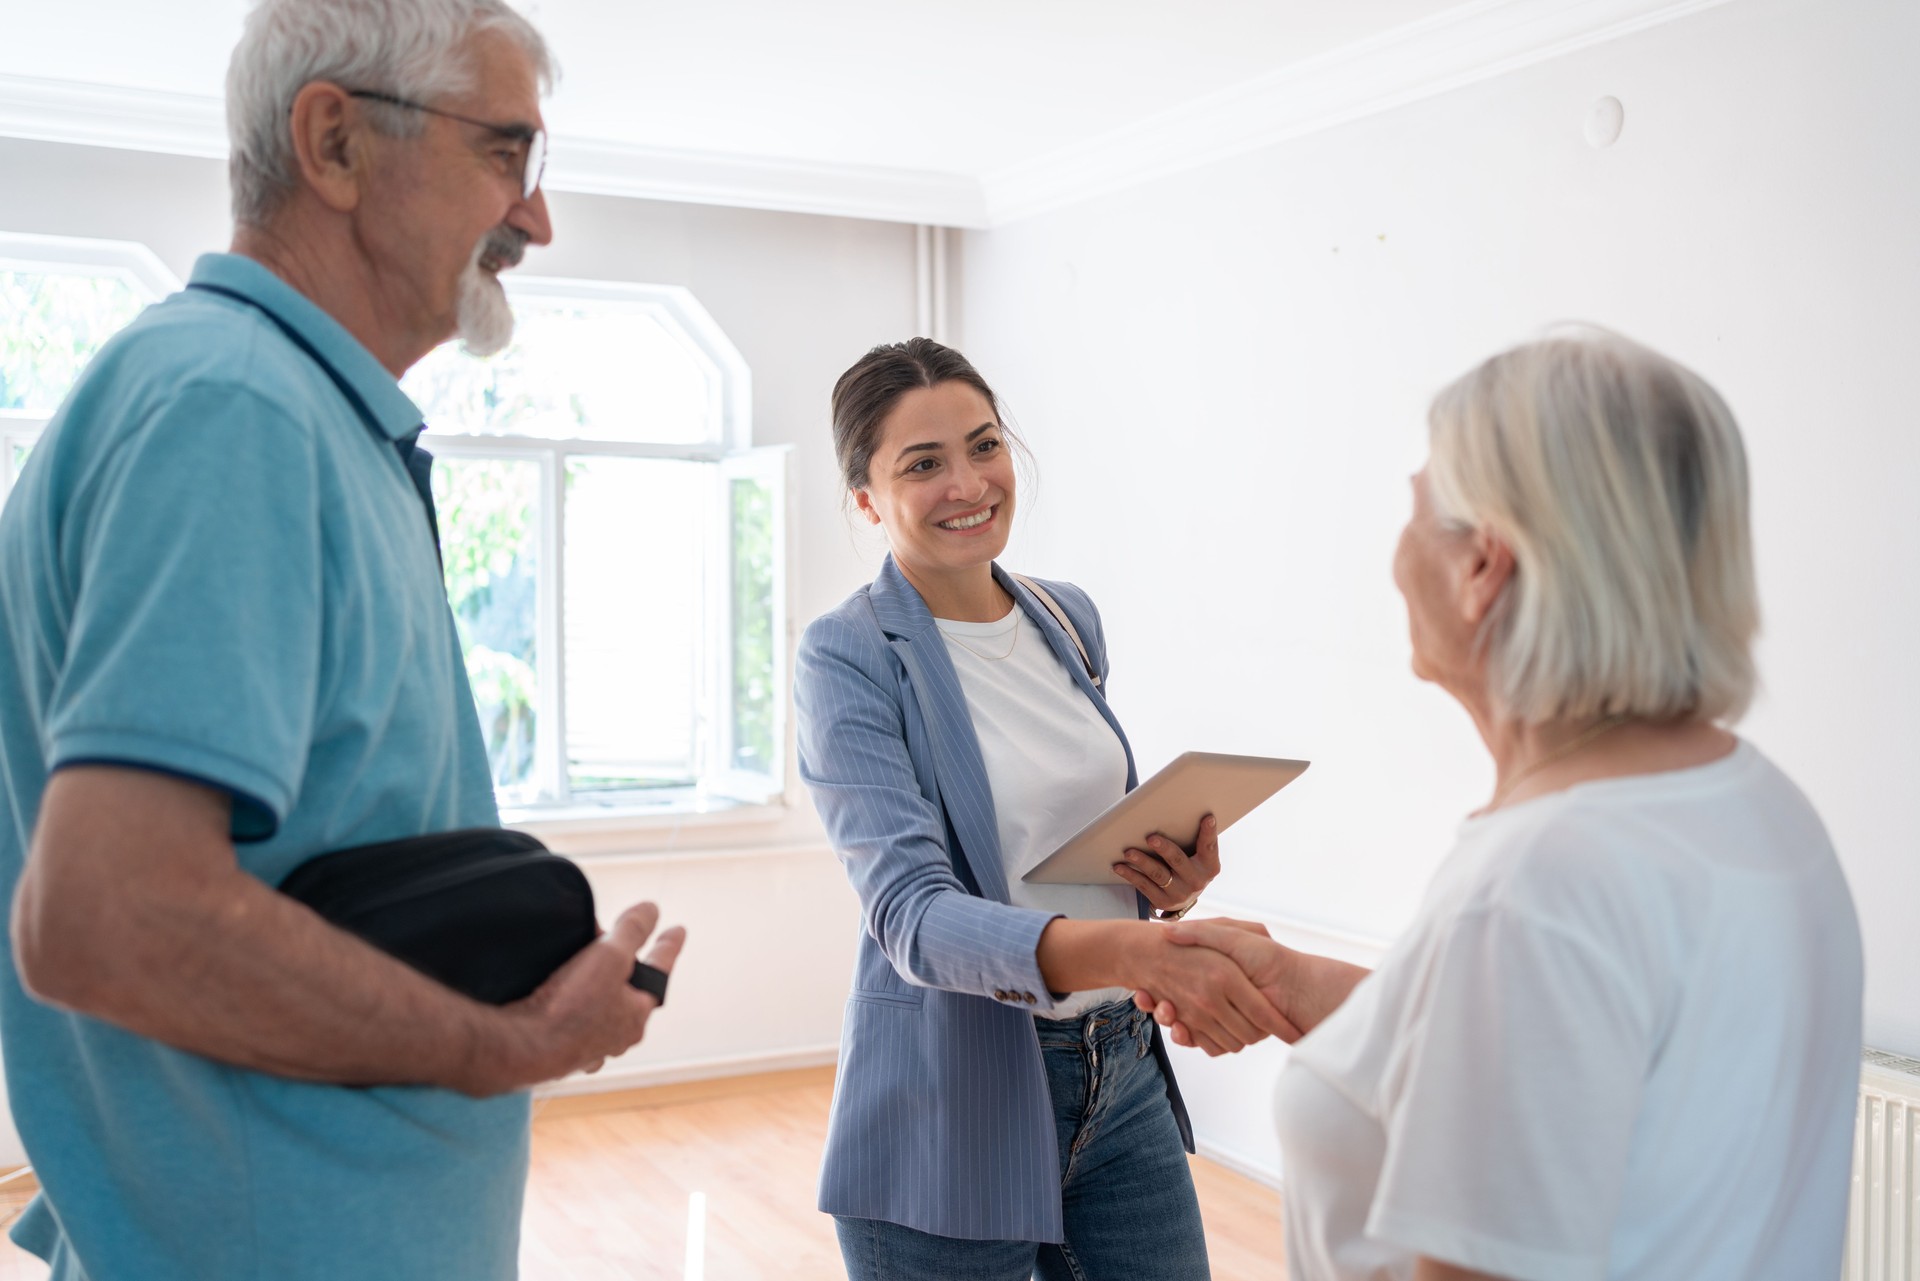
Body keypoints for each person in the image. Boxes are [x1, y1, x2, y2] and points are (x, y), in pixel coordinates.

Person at [0, 2, 683, 1278]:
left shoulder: (271, 407)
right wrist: (521, 1043)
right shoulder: (230, 407)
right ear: (333, 144)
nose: (535, 219)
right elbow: (112, 917)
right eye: (506, 154)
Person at [1137, 330, 1864, 1281]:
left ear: (1484, 566)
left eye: (1413, 510)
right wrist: (1292, 981)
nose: (1395, 553)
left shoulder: (1538, 885)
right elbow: (1567, 1068)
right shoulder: (1760, 806)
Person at [795, 337, 1293, 1280]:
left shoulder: (1066, 617)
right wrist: (1142, 950)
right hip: (954, 1092)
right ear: (866, 498)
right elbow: (913, 917)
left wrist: (1166, 894)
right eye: (923, 464)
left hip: (1123, 1069)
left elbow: (1055, 852)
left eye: (984, 446)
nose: (968, 482)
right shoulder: (847, 655)